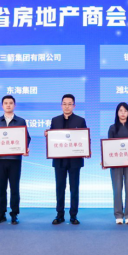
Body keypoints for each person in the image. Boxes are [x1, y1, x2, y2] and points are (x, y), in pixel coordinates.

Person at [0, 95, 31, 225]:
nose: (8, 105)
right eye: (6, 103)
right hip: (0, 160)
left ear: (14, 105)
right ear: (2, 105)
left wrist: (25, 148)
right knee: (1, 188)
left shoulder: (21, 121)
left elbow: (27, 138)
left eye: (11, 103)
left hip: (15, 160)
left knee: (14, 188)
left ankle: (14, 214)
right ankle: (1, 214)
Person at [50, 94, 87, 225]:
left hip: (75, 160)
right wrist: (47, 135)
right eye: (64, 104)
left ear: (74, 106)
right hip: (59, 160)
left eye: (69, 104)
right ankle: (59, 215)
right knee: (60, 188)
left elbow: (84, 138)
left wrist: (86, 149)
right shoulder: (55, 120)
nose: (67, 106)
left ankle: (73, 215)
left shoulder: (80, 121)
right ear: (61, 105)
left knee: (74, 188)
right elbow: (52, 139)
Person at [107, 102, 128, 224]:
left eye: (125, 111)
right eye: (120, 111)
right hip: (116, 164)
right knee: (117, 189)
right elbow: (109, 147)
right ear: (117, 113)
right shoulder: (112, 128)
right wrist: (106, 160)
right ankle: (118, 215)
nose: (123, 113)